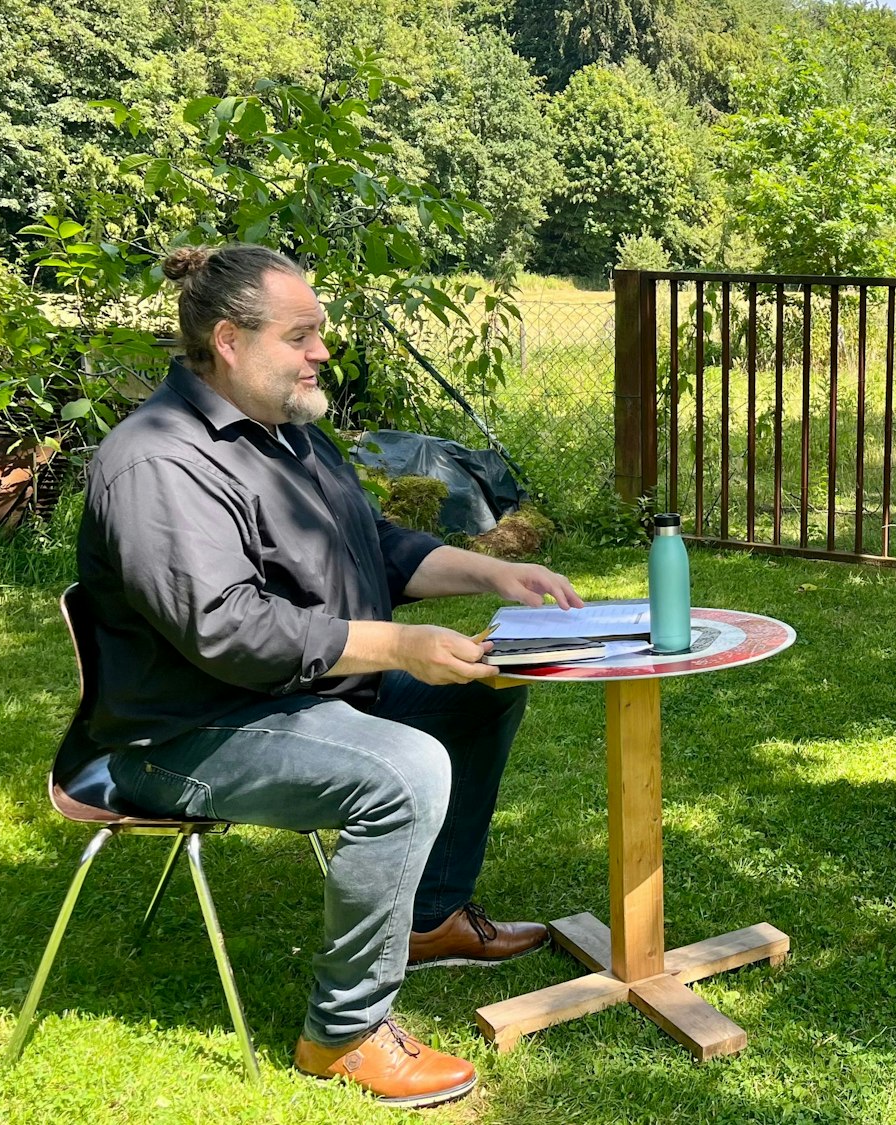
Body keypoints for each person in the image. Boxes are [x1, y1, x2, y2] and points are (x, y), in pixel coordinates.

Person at [77, 244, 582, 1108]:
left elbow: (375, 547)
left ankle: (426, 919)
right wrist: (397, 646)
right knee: (406, 770)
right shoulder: (159, 460)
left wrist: (489, 571)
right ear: (230, 341)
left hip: (295, 695)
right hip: (187, 731)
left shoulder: (291, 435)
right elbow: (224, 628)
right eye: (302, 335)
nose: (322, 353)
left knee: (487, 688)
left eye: (321, 334)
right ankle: (343, 1032)